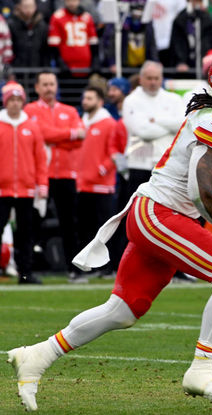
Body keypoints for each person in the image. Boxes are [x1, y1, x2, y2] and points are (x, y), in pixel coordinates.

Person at [7, 48, 212, 412]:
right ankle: (202, 368)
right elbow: (200, 191)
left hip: (159, 215)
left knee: (122, 311)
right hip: (160, 215)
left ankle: (37, 354)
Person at [24, 71, 85, 283]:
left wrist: (54, 136)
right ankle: (28, 269)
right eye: (45, 84)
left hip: (67, 174)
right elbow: (40, 134)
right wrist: (68, 134)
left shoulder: (69, 110)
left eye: (52, 84)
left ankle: (74, 270)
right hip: (41, 175)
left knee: (70, 224)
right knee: (33, 222)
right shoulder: (30, 110)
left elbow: (81, 138)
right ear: (37, 88)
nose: (49, 88)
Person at [0, 82, 47, 285]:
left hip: (27, 189)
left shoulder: (32, 126)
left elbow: (40, 158)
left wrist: (42, 184)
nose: (15, 104)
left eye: (19, 100)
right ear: (6, 102)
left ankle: (25, 273)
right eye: (12, 100)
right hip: (2, 189)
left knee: (26, 234)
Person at [122, 61, 186, 196]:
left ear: (161, 79)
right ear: (141, 79)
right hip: (139, 163)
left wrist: (155, 120)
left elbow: (182, 125)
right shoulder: (131, 100)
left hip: (166, 164)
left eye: (156, 78)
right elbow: (142, 132)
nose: (153, 82)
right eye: (149, 78)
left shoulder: (173, 99)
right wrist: (170, 127)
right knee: (136, 208)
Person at [76, 86, 118, 280]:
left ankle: (107, 268)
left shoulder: (108, 123)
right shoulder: (81, 123)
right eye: (84, 97)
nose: (85, 101)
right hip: (82, 184)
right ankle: (88, 266)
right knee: (85, 227)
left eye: (90, 98)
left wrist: (102, 169)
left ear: (100, 101)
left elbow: (115, 152)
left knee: (103, 229)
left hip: (102, 186)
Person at [48, 0, 99, 77]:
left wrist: (95, 61)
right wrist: (60, 62)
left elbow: (93, 41)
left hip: (85, 66)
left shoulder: (87, 17)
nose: (71, 3)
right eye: (69, 1)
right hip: (67, 67)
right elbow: (53, 44)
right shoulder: (57, 17)